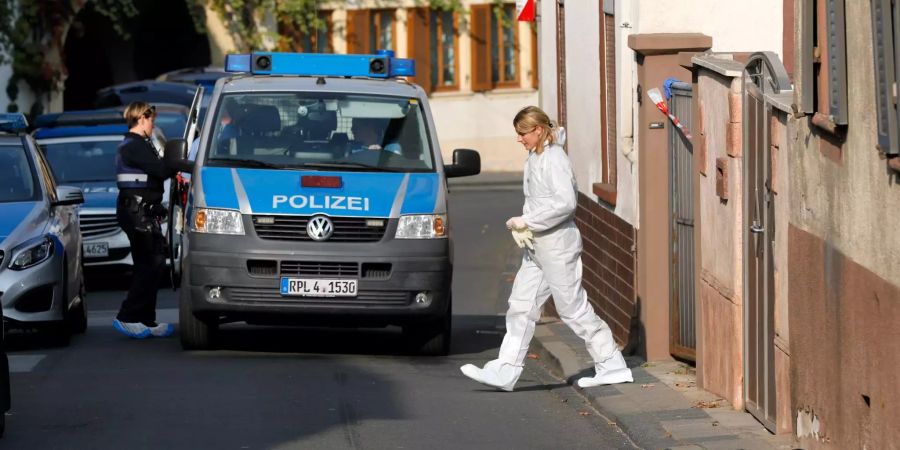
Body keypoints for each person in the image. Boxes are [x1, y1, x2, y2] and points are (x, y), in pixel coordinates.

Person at [460, 106, 633, 391]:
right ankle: (506, 369)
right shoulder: (536, 156)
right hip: (538, 245)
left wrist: (527, 220)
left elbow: (566, 203)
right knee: (520, 306)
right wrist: (527, 226)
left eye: (522, 133)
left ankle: (612, 363)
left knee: (572, 308)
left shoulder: (554, 159)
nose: (519, 139)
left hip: (557, 247)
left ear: (538, 130)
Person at [113, 102, 178, 339]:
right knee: (148, 263)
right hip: (136, 213)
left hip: (143, 212)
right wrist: (178, 161)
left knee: (155, 262)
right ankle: (128, 316)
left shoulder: (140, 144)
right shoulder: (134, 145)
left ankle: (145, 319)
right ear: (142, 118)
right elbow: (160, 171)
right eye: (151, 120)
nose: (153, 125)